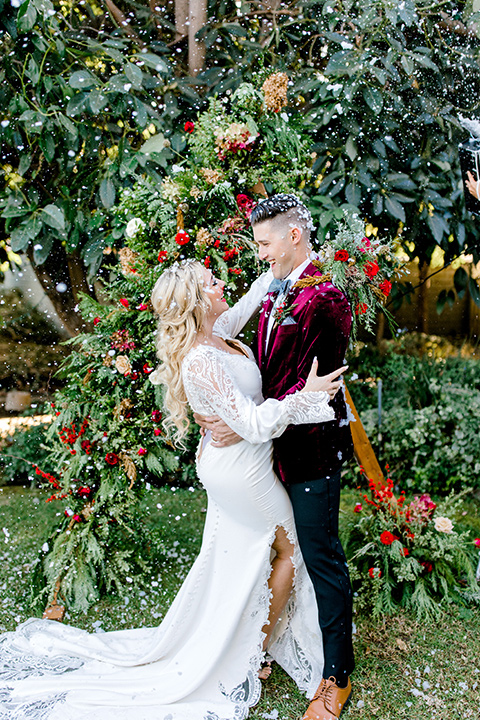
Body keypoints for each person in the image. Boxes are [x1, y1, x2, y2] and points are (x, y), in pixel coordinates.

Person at [0, 258, 347, 720]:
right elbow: (251, 424)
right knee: (289, 551)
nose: (222, 282)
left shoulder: (215, 329)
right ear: (197, 301)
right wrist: (306, 396)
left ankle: (240, 639)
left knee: (246, 556)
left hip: (237, 461)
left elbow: (248, 301)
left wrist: (280, 265)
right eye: (212, 281)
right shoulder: (202, 359)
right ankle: (250, 654)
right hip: (242, 471)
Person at [197, 194, 355, 720]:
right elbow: (217, 342)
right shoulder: (271, 290)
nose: (259, 253)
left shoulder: (327, 299)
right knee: (273, 552)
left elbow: (317, 393)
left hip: (308, 454)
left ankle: (336, 676)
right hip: (265, 453)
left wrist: (243, 419)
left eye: (265, 243)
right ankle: (266, 644)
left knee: (321, 557)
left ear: (293, 236)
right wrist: (214, 406)